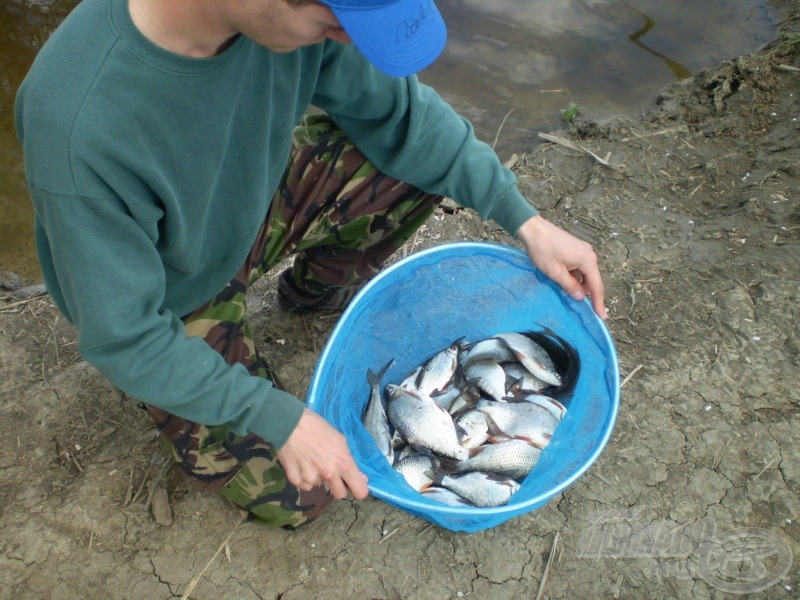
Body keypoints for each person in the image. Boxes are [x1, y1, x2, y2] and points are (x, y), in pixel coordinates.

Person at [15, 0, 606, 528]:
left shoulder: (288, 24)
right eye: (335, 23)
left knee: (411, 162)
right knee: (307, 492)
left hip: (245, 205)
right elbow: (125, 336)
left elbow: (403, 118)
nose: (345, 41)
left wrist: (525, 219)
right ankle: (183, 381)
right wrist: (279, 417)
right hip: (166, 298)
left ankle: (309, 293)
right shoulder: (79, 122)